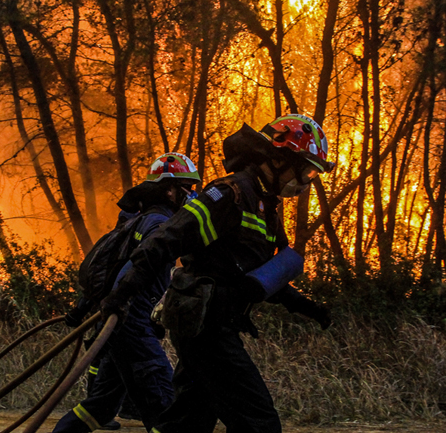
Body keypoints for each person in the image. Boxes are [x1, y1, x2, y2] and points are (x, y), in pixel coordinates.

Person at [100, 114, 334, 433]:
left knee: (187, 422)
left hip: (215, 323)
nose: (306, 181)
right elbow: (165, 240)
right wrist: (121, 295)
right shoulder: (229, 194)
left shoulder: (266, 208)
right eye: (307, 170)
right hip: (205, 327)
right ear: (281, 158)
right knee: (258, 421)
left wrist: (309, 308)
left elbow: (261, 275)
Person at [53, 152, 201, 433]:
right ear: (169, 190)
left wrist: (87, 307)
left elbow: (112, 272)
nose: (191, 195)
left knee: (101, 406)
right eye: (187, 188)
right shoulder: (160, 225)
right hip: (131, 322)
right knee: (166, 405)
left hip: (121, 321)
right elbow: (130, 271)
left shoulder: (139, 220)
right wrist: (122, 305)